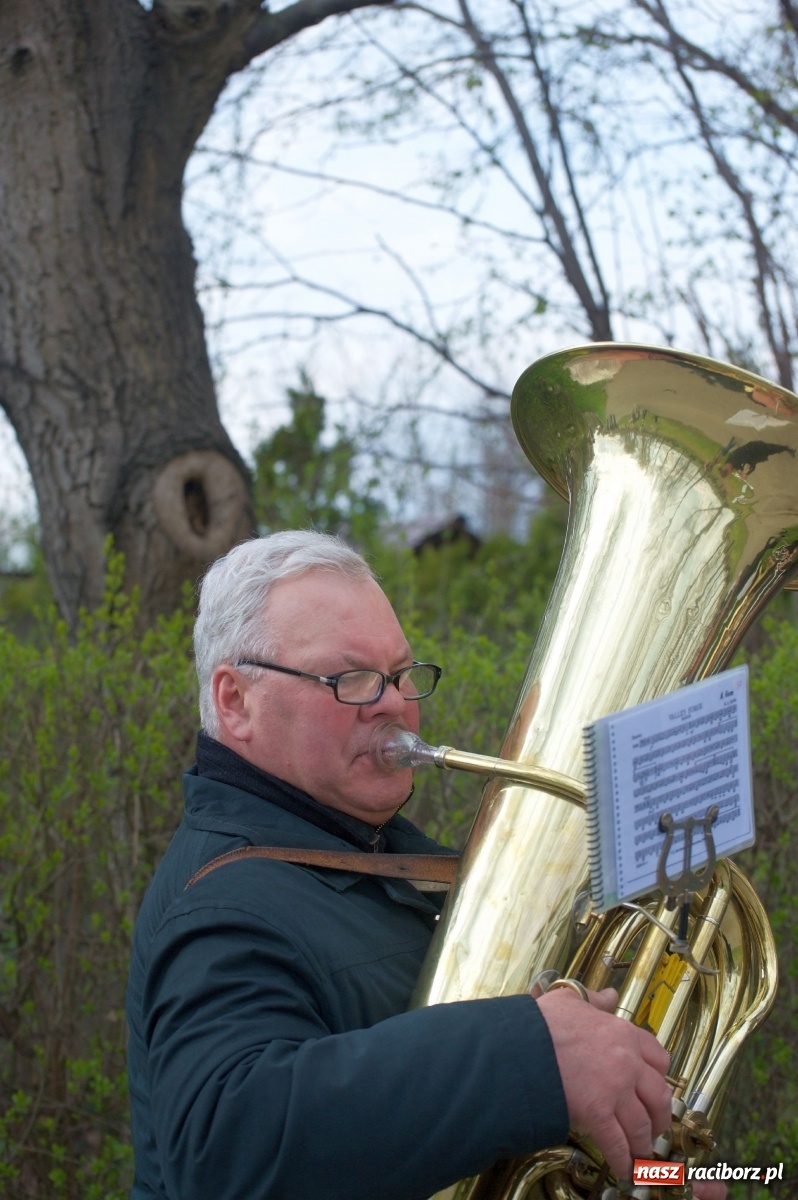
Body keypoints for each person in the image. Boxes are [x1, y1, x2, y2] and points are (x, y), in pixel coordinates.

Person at [126, 530, 726, 1200]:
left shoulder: (384, 856)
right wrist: (530, 1058)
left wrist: (654, 1172)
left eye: (401, 673)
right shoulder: (222, 907)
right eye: (350, 678)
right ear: (236, 701)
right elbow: (225, 1147)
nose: (391, 701)